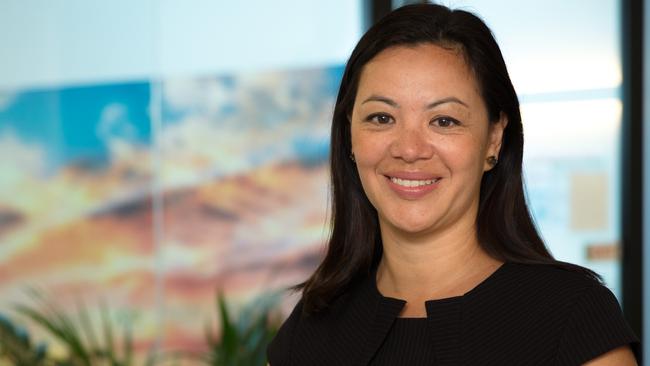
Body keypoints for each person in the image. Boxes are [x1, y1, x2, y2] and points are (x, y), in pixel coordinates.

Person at [267, 3, 640, 365]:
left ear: (494, 139)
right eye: (381, 117)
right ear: (349, 135)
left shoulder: (570, 316)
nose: (409, 149)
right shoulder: (311, 327)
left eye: (444, 121)